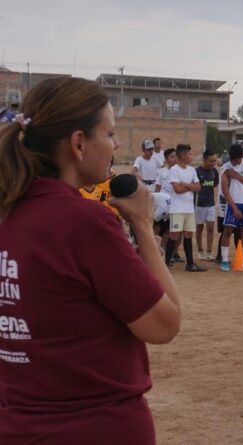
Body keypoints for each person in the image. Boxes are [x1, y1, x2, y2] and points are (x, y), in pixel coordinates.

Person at [0, 76, 180, 443]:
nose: (116, 145)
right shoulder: (84, 223)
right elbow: (163, 325)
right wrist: (143, 226)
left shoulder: (8, 212)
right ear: (78, 143)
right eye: (109, 134)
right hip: (95, 426)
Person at [165, 144, 205, 272]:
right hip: (177, 208)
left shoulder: (191, 170)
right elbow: (177, 189)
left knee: (188, 234)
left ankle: (190, 263)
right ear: (183, 155)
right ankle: (166, 263)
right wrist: (190, 186)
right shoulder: (174, 170)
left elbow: (198, 187)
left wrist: (185, 184)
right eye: (189, 154)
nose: (191, 156)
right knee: (174, 235)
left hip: (189, 208)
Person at [219, 144, 243, 271]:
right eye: (232, 159)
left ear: (241, 156)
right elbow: (225, 190)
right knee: (227, 231)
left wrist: (236, 176)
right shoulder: (226, 167)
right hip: (233, 202)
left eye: (235, 160)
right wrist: (234, 208)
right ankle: (224, 260)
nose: (233, 162)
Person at [195, 149, 219, 261]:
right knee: (199, 228)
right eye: (211, 161)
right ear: (204, 160)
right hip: (199, 204)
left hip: (211, 204)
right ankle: (200, 251)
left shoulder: (215, 172)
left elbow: (215, 184)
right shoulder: (196, 172)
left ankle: (209, 252)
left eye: (214, 161)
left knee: (210, 227)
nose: (213, 163)